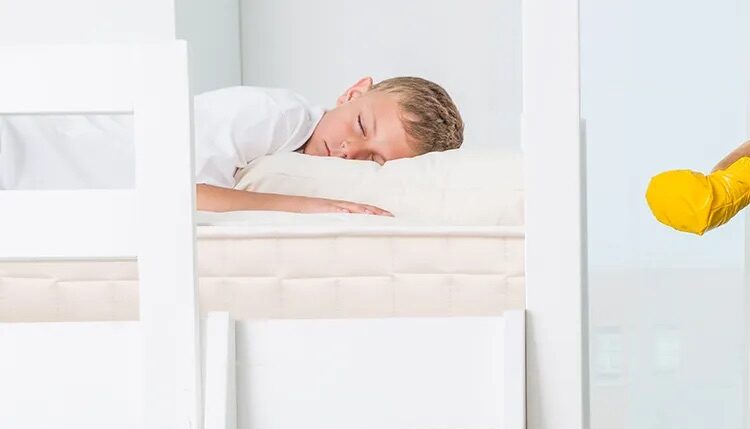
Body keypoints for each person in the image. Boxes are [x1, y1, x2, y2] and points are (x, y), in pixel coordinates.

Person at [0, 76, 464, 216]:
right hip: (33, 151)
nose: (348, 151)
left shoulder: (290, 153)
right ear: (352, 92)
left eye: (373, 159)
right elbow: (181, 194)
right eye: (360, 124)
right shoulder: (280, 114)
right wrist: (309, 206)